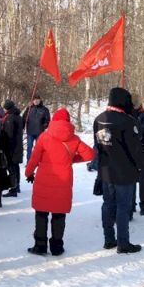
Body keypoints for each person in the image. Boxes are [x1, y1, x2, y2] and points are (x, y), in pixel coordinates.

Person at [25, 108, 94, 255]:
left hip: (44, 180)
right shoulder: (74, 139)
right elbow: (90, 154)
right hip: (63, 181)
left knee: (41, 214)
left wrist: (28, 173)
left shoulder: (44, 137)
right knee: (59, 215)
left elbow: (34, 158)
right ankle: (57, 247)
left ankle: (40, 245)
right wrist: (71, 159)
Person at [94, 88, 144, 254]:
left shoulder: (99, 119)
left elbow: (98, 146)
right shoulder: (128, 121)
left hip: (106, 170)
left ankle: (109, 239)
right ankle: (123, 243)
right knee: (122, 207)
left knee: (108, 204)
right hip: (124, 171)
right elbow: (135, 148)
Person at [0, 99, 24, 197]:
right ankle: (17, 186)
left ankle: (13, 188)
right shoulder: (18, 116)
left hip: (11, 147)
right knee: (16, 167)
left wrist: (3, 145)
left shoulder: (10, 118)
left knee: (11, 167)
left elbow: (8, 134)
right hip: (17, 145)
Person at [22, 94, 50, 162]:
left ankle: (38, 161)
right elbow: (24, 118)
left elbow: (48, 120)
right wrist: (22, 127)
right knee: (29, 148)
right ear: (32, 101)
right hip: (30, 132)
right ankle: (29, 162)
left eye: (37, 99)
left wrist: (44, 126)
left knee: (38, 148)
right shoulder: (29, 109)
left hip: (39, 132)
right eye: (34, 100)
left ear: (40, 100)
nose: (36, 101)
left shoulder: (44, 109)